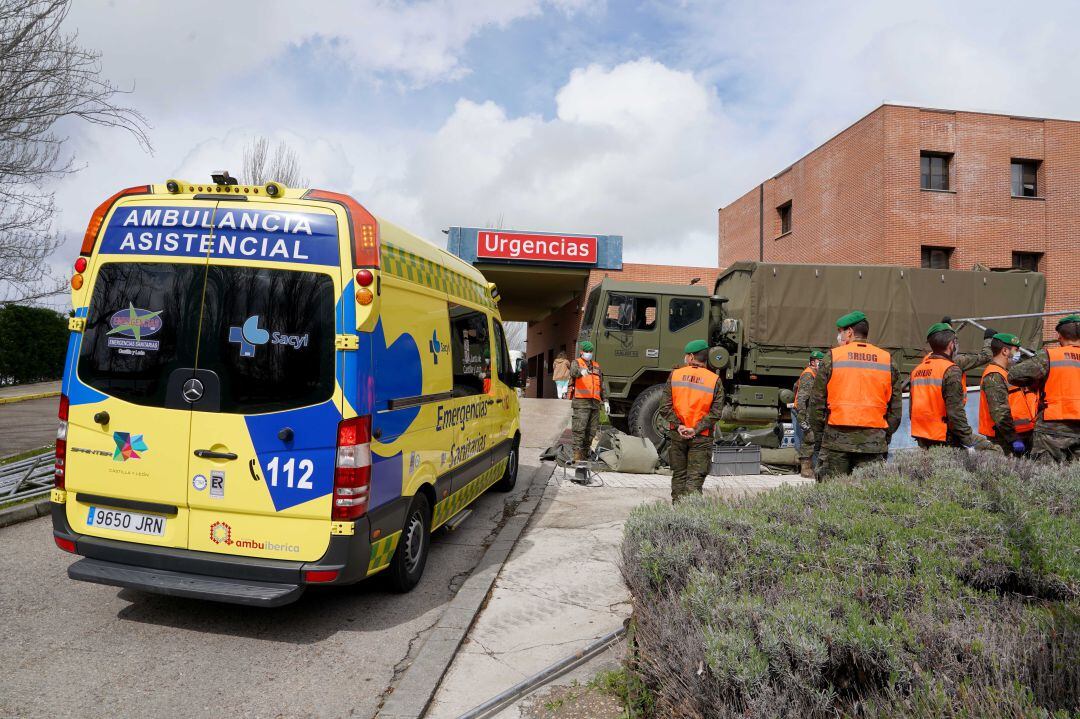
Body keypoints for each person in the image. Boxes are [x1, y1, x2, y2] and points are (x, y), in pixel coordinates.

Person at [807, 311, 902, 479]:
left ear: (849, 332)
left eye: (840, 331)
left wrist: (822, 437)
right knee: (868, 492)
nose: (839, 336)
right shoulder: (887, 360)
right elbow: (895, 409)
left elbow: (816, 403)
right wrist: (882, 436)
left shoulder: (833, 357)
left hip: (835, 442)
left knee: (833, 492)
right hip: (873, 443)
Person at [910, 322, 999, 451]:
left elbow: (912, 408)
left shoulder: (918, 369)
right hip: (944, 434)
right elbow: (955, 413)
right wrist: (968, 438)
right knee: (993, 451)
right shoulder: (951, 367)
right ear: (951, 344)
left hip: (922, 434)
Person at [1007, 314, 1080, 463]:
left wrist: (1035, 384)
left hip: (1052, 427)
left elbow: (1014, 375)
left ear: (1060, 336)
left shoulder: (1049, 356)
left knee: (1046, 473)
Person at [659, 340, 724, 501]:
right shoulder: (714, 380)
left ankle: (677, 511)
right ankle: (690, 513)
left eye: (686, 355)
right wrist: (695, 429)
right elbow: (716, 413)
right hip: (701, 437)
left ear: (691, 357)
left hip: (678, 435)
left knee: (679, 475)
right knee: (695, 480)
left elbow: (665, 408)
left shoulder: (675, 375)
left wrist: (679, 426)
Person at [979, 332, 1038, 455]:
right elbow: (999, 412)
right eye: (1016, 350)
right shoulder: (994, 375)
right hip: (1004, 439)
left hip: (1018, 434)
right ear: (1005, 351)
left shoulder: (1005, 373)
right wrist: (1013, 439)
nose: (1018, 354)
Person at [569, 341, 608, 463]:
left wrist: (606, 400)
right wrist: (581, 372)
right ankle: (576, 455)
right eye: (587, 351)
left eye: (590, 351)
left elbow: (601, 384)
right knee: (579, 430)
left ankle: (585, 455)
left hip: (594, 404)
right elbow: (573, 372)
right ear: (581, 352)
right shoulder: (576, 363)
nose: (589, 353)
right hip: (581, 403)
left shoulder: (596, 366)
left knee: (591, 431)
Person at [793, 350, 824, 479]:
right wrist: (802, 416)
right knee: (809, 439)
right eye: (819, 361)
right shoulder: (808, 374)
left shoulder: (814, 374)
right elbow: (802, 398)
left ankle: (812, 468)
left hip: (810, 411)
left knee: (813, 439)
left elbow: (795, 386)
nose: (821, 363)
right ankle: (805, 469)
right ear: (812, 362)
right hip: (804, 412)